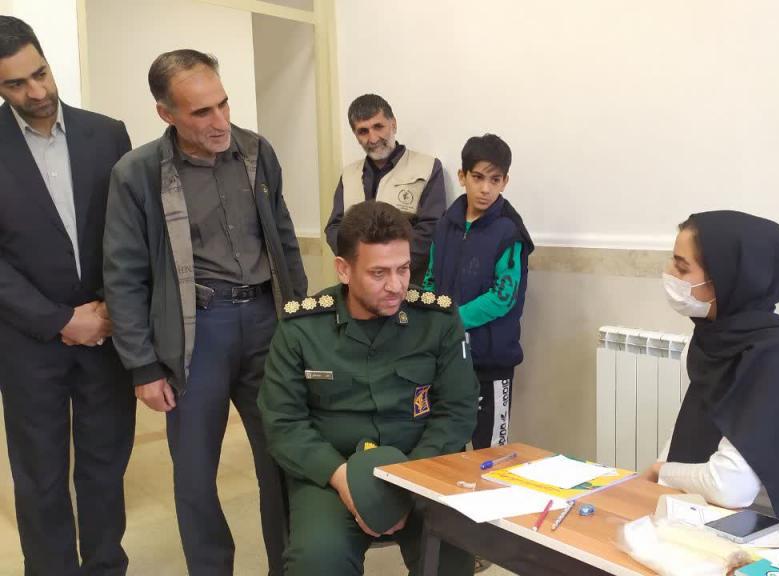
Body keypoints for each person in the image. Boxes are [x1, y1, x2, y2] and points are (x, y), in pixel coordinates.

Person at [103, 49, 307, 575]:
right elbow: (123, 274)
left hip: (266, 323)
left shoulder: (256, 152)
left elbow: (283, 240)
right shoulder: (137, 174)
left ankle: (290, 565)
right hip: (196, 332)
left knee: (284, 459)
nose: (220, 122)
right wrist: (143, 366)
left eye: (223, 104)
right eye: (201, 112)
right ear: (165, 113)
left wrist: (301, 325)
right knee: (195, 475)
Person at [259, 200, 477, 575]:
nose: (396, 286)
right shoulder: (301, 329)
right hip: (332, 472)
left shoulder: (437, 321)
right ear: (344, 269)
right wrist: (343, 479)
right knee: (317, 561)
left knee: (452, 559)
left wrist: (409, 481)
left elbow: (457, 409)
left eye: (403, 269)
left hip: (421, 464)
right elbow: (283, 422)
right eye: (379, 273)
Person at [0, 16, 136, 575]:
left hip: (106, 335)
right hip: (27, 343)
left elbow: (129, 231)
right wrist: (59, 319)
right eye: (15, 84)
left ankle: (106, 567)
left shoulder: (108, 134)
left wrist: (107, 307)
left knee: (105, 468)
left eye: (40, 73)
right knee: (40, 476)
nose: (36, 92)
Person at [644, 210, 779, 529]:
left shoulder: (777, 354)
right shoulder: (712, 338)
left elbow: (730, 487)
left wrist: (661, 471)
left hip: (778, 529)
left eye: (682, 267)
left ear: (724, 278)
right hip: (711, 514)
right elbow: (689, 428)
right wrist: (654, 481)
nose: (668, 273)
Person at [422, 134, 533, 448]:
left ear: (505, 181)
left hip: (491, 362)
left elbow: (503, 297)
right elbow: (430, 278)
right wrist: (432, 319)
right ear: (462, 176)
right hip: (448, 359)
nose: (485, 188)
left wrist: (452, 319)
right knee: (446, 449)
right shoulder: (444, 226)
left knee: (490, 452)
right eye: (478, 177)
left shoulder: (509, 231)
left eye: (495, 180)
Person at [324, 94, 446, 283]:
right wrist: (358, 265)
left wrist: (388, 267)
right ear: (355, 136)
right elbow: (334, 227)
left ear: (393, 124)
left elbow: (431, 228)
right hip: (358, 284)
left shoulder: (428, 167)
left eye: (378, 127)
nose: (373, 138)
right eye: (363, 131)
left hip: (407, 283)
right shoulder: (348, 175)